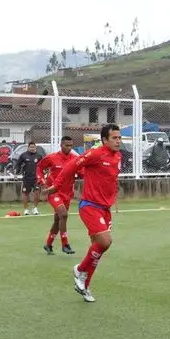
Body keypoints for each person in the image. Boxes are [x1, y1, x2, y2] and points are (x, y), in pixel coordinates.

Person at [45, 123, 122, 303]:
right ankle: (80, 270)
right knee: (105, 241)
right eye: (114, 138)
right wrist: (57, 185)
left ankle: (84, 285)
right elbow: (72, 165)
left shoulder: (118, 156)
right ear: (104, 140)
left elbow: (110, 178)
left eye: (119, 138)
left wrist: (113, 193)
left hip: (105, 209)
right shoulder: (95, 153)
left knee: (100, 247)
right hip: (90, 206)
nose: (118, 141)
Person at [37, 136, 80, 255]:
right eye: (67, 145)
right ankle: (65, 244)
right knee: (63, 214)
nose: (69, 148)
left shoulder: (75, 159)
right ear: (61, 145)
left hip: (67, 194)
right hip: (53, 192)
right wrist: (41, 181)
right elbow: (39, 167)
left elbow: (82, 172)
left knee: (58, 220)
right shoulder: (52, 157)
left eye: (71, 146)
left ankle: (48, 244)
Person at [15, 141, 43, 216]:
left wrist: (43, 174)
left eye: (33, 147)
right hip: (26, 178)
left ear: (35, 147)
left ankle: (35, 208)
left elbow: (43, 166)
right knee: (26, 193)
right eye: (31, 147)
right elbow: (18, 165)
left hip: (36, 178)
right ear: (28, 147)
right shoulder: (23, 155)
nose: (32, 148)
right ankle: (26, 209)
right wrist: (17, 172)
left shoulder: (39, 156)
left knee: (37, 193)